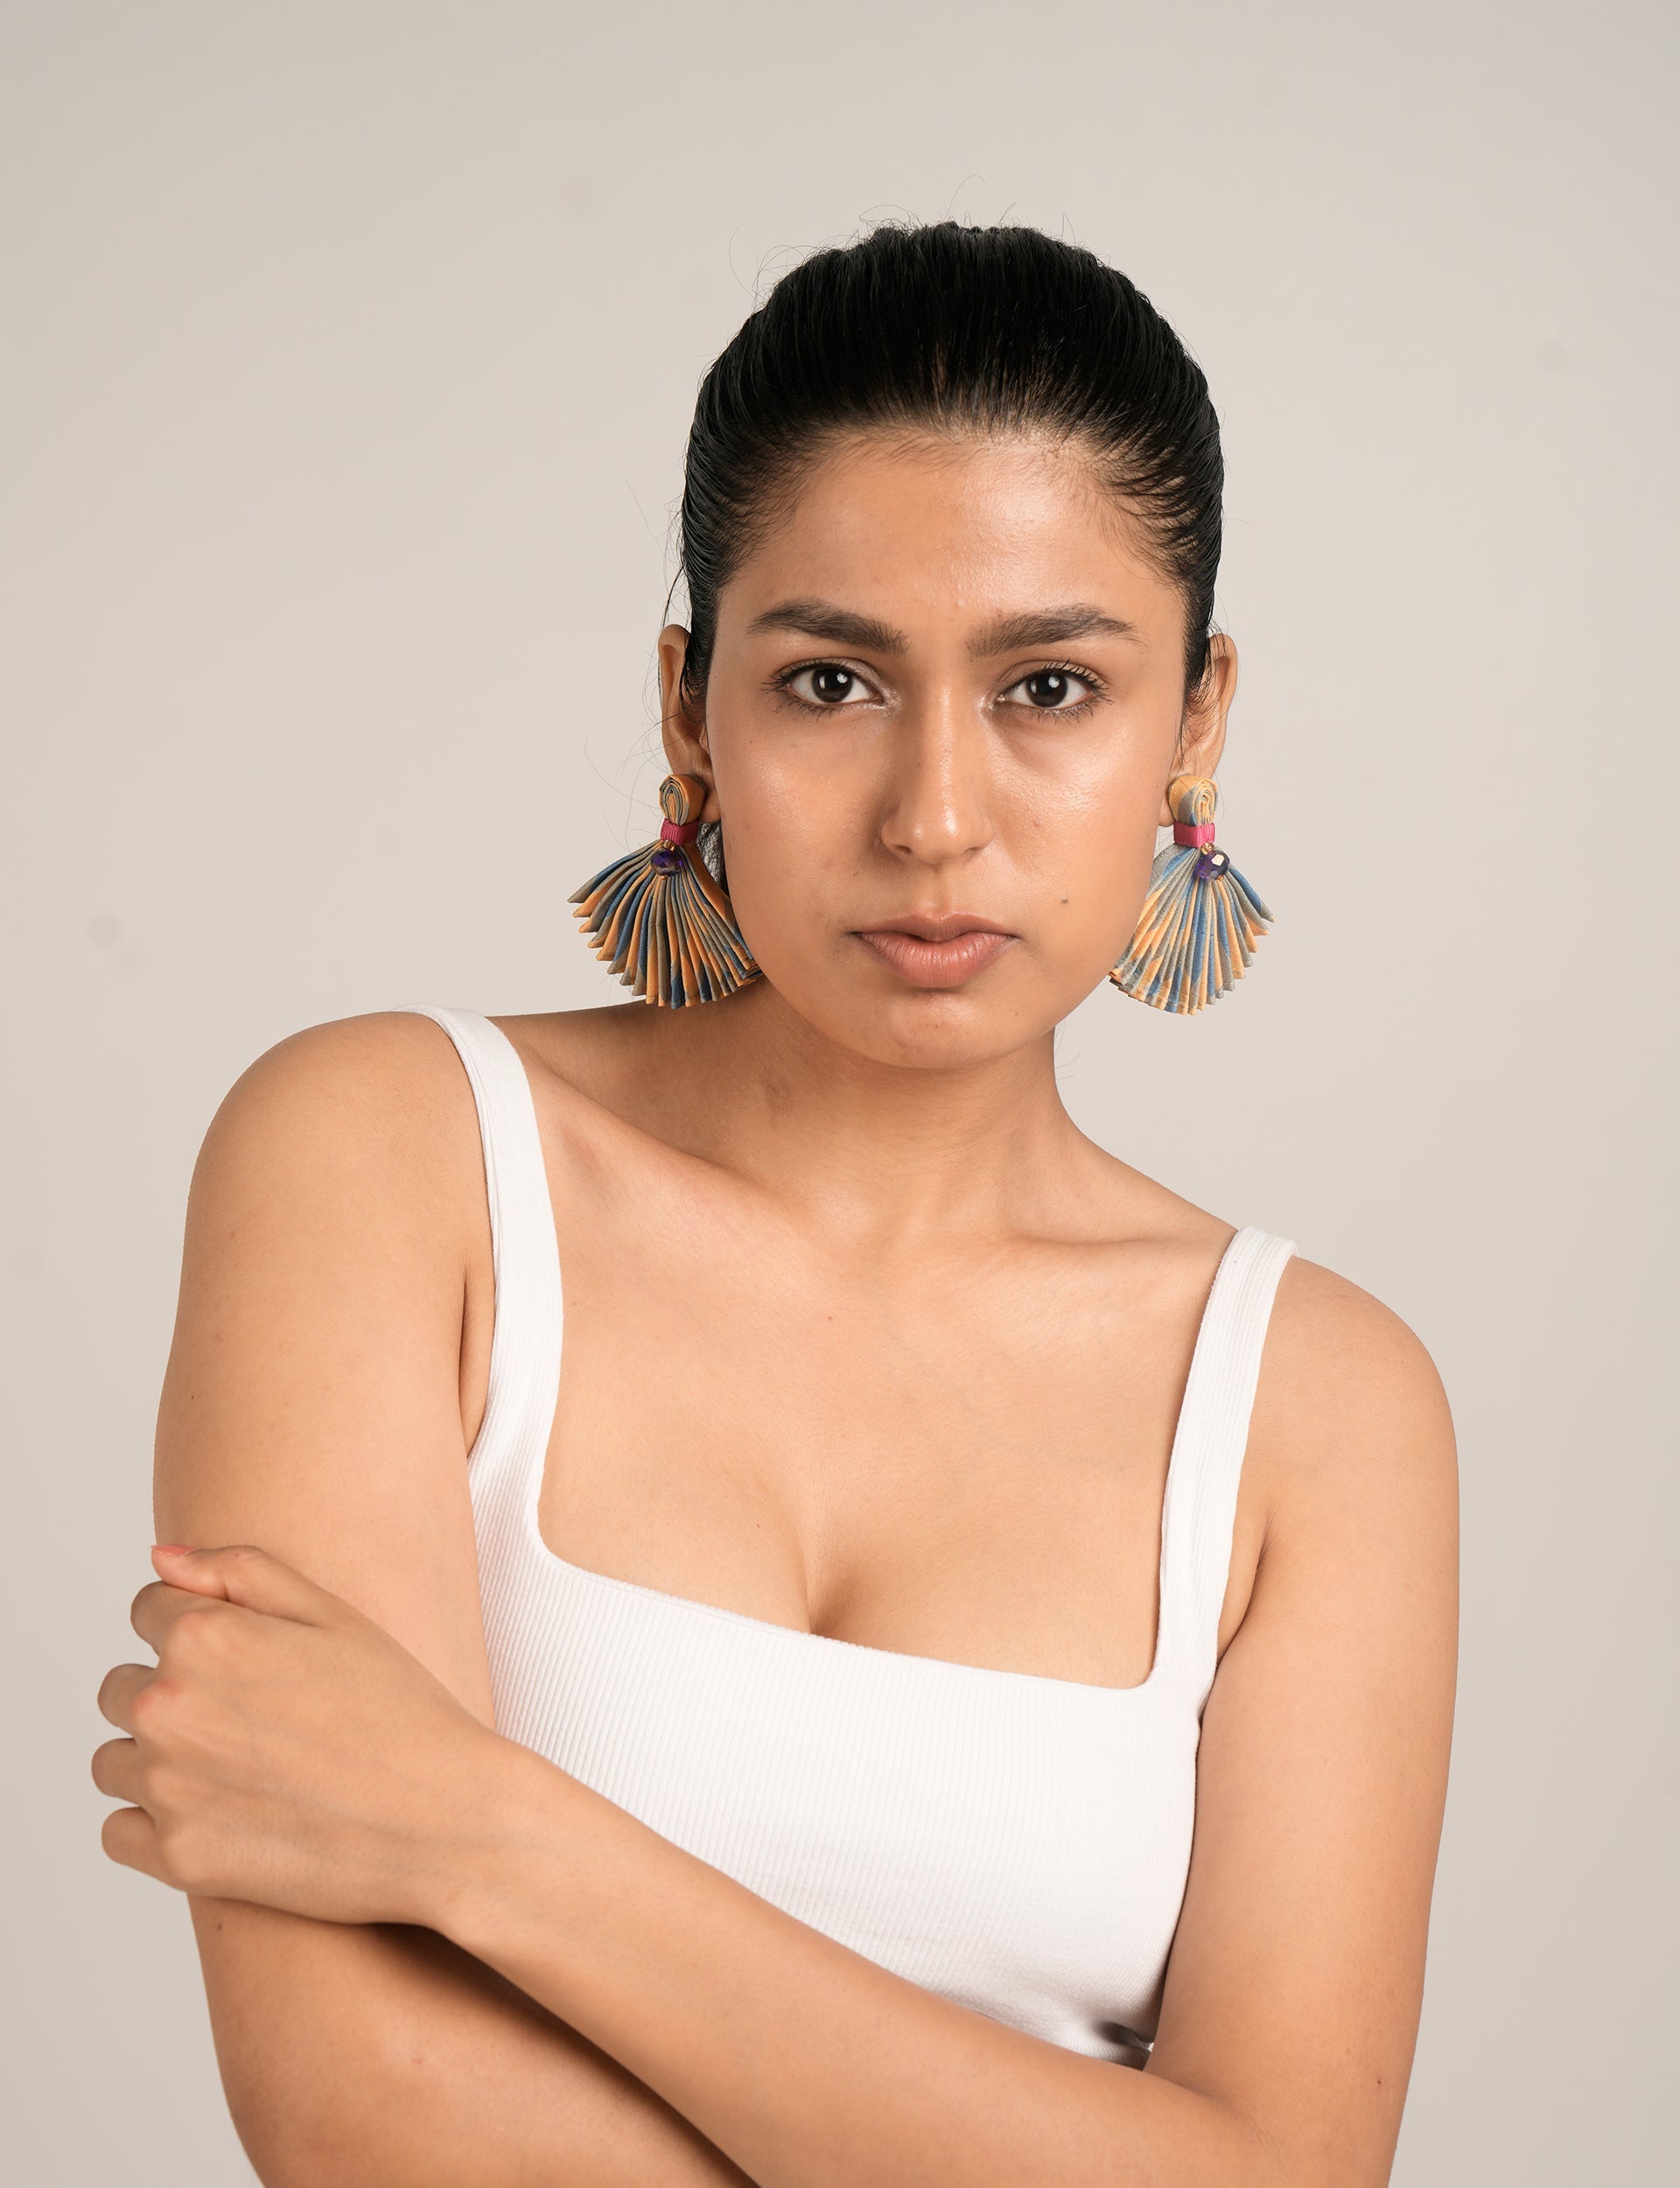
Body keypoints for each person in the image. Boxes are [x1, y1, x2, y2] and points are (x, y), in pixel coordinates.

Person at [91, 221, 1459, 2187]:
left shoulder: (1320, 1406)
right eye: (831, 679)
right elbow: (366, 2109)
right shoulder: (392, 1157)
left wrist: (487, 1836)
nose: (934, 817)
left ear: (1196, 722)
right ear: (689, 709)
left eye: (1050, 686)